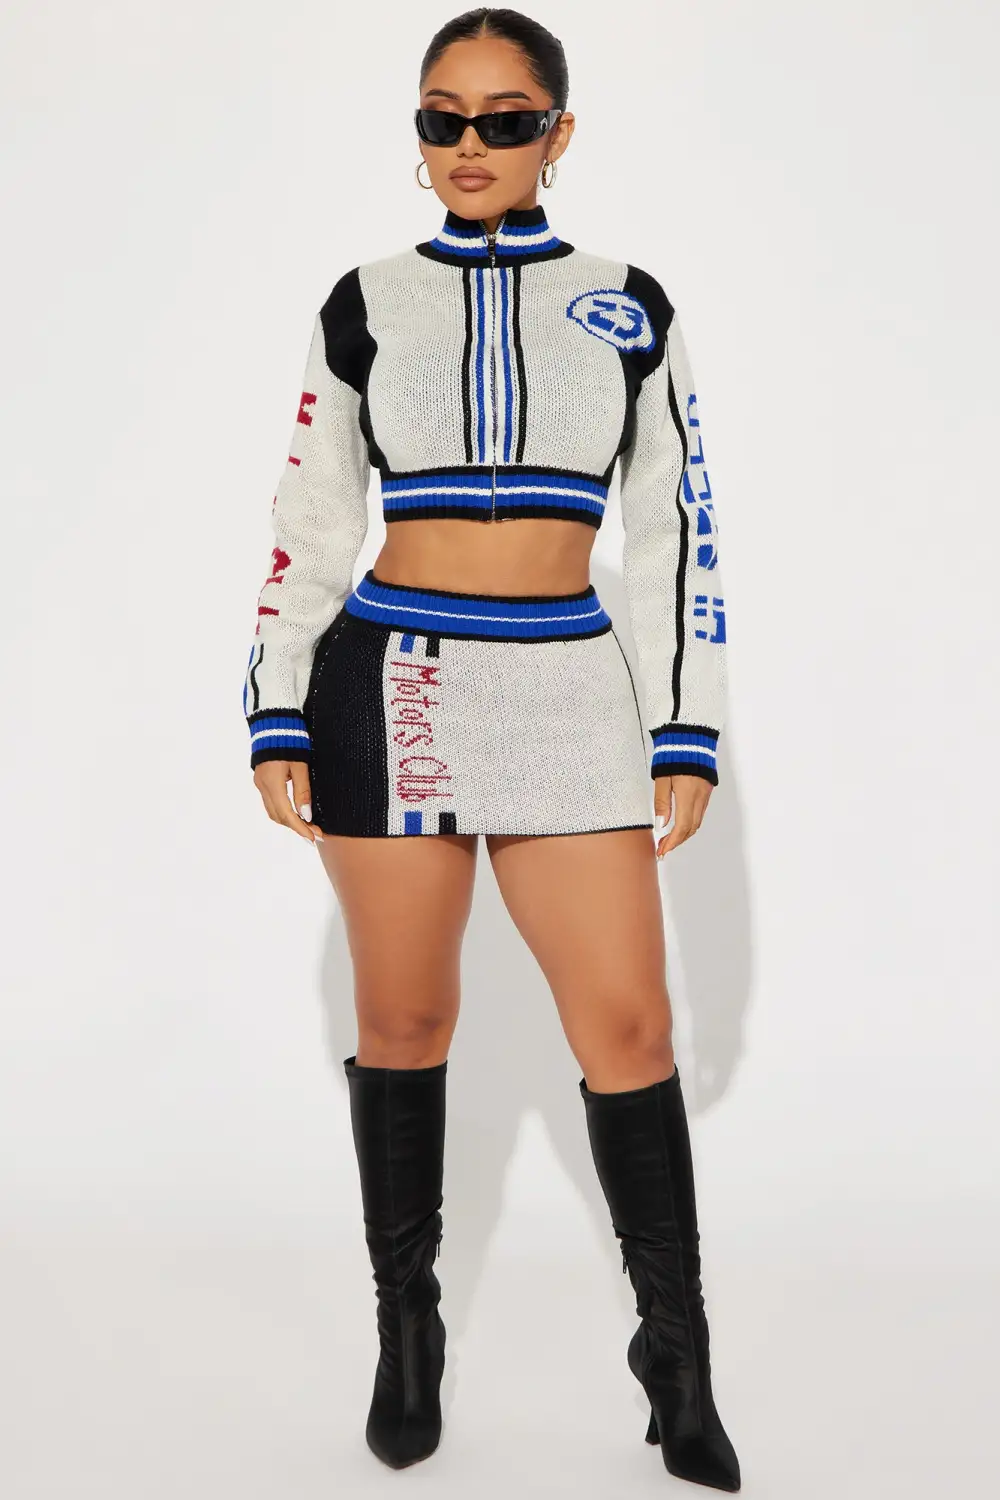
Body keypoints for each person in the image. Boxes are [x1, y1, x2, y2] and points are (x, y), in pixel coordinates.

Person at [241, 7, 738, 1491]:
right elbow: (313, 514)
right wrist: (276, 700)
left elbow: (674, 525)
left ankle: (677, 1358)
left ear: (557, 134)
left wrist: (685, 723)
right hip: (392, 678)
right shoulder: (367, 301)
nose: (470, 144)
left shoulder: (627, 303)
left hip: (571, 683)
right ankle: (408, 1337)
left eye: (505, 119)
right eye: (442, 118)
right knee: (405, 1022)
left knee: (630, 1032)